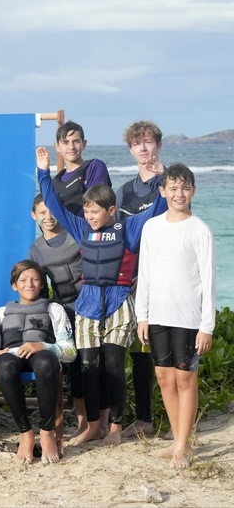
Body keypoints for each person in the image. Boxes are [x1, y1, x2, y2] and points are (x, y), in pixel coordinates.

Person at [36, 146, 166, 446]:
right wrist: (43, 172)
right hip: (88, 302)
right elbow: (54, 205)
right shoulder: (81, 227)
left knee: (113, 366)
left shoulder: (129, 227)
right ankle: (94, 425)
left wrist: (160, 179)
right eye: (86, 210)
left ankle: (116, 426)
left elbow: (159, 209)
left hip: (119, 301)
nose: (89, 215)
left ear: (110, 210)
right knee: (88, 367)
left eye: (95, 211)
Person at [135, 163, 216, 469]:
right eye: (173, 188)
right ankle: (177, 440)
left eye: (184, 188)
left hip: (188, 318)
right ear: (162, 191)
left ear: (193, 191)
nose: (179, 193)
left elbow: (208, 282)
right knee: (164, 377)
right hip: (157, 314)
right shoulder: (152, 227)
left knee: (185, 379)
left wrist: (206, 326)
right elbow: (145, 273)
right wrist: (141, 315)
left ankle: (182, 445)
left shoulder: (200, 230)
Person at [0, 260, 76, 464]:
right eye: (23, 280)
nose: (29, 284)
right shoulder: (0, 313)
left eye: (35, 279)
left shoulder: (54, 309)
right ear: (14, 285)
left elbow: (70, 351)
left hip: (43, 355)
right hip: (12, 355)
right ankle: (26, 434)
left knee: (45, 363)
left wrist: (43, 346)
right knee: (5, 364)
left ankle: (47, 432)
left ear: (42, 285)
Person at [116, 121, 165, 439]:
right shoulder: (125, 191)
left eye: (148, 142)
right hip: (134, 281)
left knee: (167, 352)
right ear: (131, 150)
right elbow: (122, 240)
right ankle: (143, 417)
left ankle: (165, 416)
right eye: (138, 144)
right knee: (139, 351)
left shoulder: (170, 181)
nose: (143, 148)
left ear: (158, 145)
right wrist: (129, 277)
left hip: (165, 276)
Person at [28, 194, 87, 438]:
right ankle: (80, 421)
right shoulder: (36, 249)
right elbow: (38, 287)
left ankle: (92, 422)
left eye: (52, 211)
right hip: (63, 309)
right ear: (34, 216)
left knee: (91, 365)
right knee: (73, 368)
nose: (48, 217)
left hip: (90, 306)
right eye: (42, 213)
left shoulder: (77, 234)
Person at [49, 121, 112, 215]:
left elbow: (96, 206)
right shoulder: (55, 183)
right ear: (57, 146)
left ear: (84, 143)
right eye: (65, 142)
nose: (71, 147)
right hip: (65, 229)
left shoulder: (94, 167)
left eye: (76, 141)